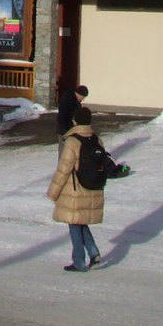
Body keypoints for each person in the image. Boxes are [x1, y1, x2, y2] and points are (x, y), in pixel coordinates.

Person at [47, 111, 104, 273]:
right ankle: (94, 253)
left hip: (75, 189)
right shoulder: (96, 139)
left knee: (74, 224)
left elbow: (64, 169)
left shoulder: (72, 141)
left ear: (74, 121)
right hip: (93, 187)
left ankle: (79, 261)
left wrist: (53, 192)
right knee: (80, 221)